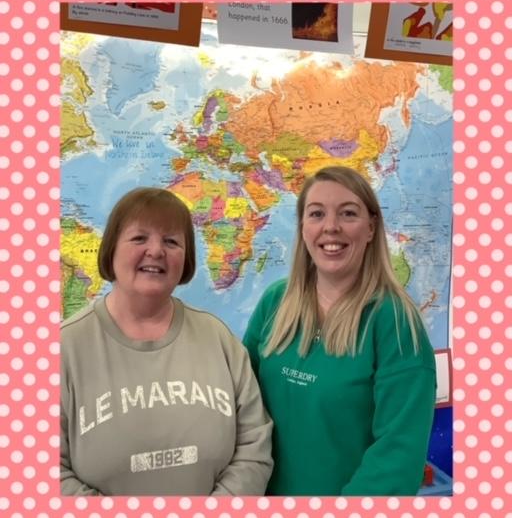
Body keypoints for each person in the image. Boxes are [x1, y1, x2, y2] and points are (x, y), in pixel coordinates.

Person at [61, 187, 273, 496]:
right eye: (139, 238)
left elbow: (254, 447)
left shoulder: (218, 339)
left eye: (171, 241)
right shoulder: (62, 349)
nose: (156, 251)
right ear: (111, 249)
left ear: (185, 259)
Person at [243, 166, 436, 496]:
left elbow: (398, 456)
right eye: (316, 214)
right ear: (303, 227)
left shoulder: (395, 322)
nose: (330, 227)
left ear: (371, 228)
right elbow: (238, 401)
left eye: (348, 213)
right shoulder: (275, 301)